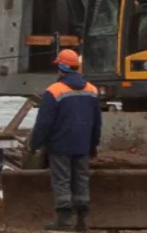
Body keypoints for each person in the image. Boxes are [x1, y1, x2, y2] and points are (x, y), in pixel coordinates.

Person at [31, 46, 103, 230]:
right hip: (83, 145)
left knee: (61, 181)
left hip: (60, 145)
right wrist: (93, 145)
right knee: (81, 180)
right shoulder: (92, 90)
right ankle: (82, 222)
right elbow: (97, 122)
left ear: (61, 68)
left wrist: (35, 144)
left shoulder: (54, 91)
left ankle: (64, 221)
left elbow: (44, 123)